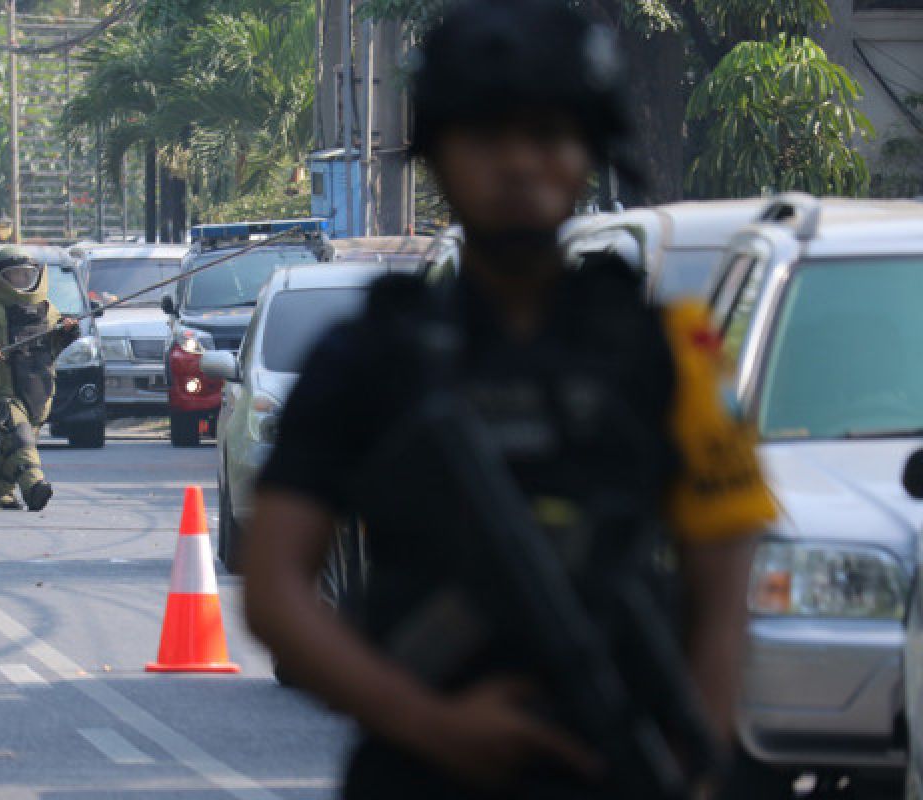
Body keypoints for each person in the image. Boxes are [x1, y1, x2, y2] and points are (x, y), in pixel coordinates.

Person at [242, 2, 778, 798]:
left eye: (550, 136)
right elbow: (275, 590)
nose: (521, 164)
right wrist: (432, 725)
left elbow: (725, 583)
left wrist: (695, 765)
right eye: (488, 137)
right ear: (440, 156)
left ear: (590, 152)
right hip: (417, 771)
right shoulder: (366, 358)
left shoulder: (672, 352)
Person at [0, 246, 79, 511]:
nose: (22, 281)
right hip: (5, 391)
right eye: (15, 276)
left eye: (27, 275)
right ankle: (34, 488)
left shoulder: (48, 309)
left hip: (40, 389)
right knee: (21, 437)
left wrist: (69, 329)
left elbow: (56, 341)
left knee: (14, 445)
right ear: (0, 278)